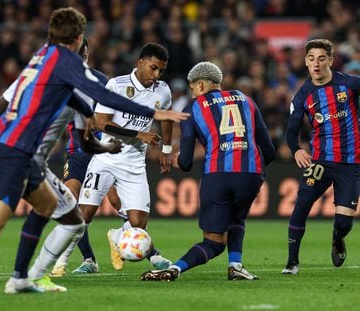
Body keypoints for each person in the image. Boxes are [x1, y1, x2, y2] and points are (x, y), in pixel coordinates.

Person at [0, 7, 188, 294]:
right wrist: (155, 115)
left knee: (67, 216)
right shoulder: (65, 59)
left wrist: (97, 141)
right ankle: (22, 276)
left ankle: (23, 277)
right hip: (16, 153)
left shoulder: (42, 57)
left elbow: (62, 101)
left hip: (24, 154)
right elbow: (103, 95)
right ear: (77, 38)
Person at [140, 61, 276, 282]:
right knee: (237, 217)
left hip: (216, 176)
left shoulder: (192, 108)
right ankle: (235, 265)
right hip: (250, 174)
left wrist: (177, 160)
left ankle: (175, 269)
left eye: (192, 87)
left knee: (213, 241)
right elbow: (269, 150)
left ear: (201, 85)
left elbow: (185, 162)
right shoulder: (246, 100)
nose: (192, 92)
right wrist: (255, 171)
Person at [78, 42, 174, 272]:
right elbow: (103, 123)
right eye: (153, 68)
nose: (156, 74)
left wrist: (167, 150)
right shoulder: (116, 85)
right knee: (84, 215)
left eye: (161, 70)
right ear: (140, 63)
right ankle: (74, 261)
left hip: (134, 164)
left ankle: (117, 236)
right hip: (106, 157)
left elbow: (166, 118)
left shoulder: (162, 90)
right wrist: (138, 134)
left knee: (139, 224)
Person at [282, 39, 360, 275]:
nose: (316, 63)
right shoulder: (302, 96)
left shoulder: (349, 84)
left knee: (344, 222)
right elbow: (291, 132)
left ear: (330, 60)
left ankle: (337, 238)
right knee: (301, 208)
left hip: (351, 163)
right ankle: (292, 262)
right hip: (320, 162)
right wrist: (296, 149)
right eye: (311, 58)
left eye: (321, 58)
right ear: (306, 61)